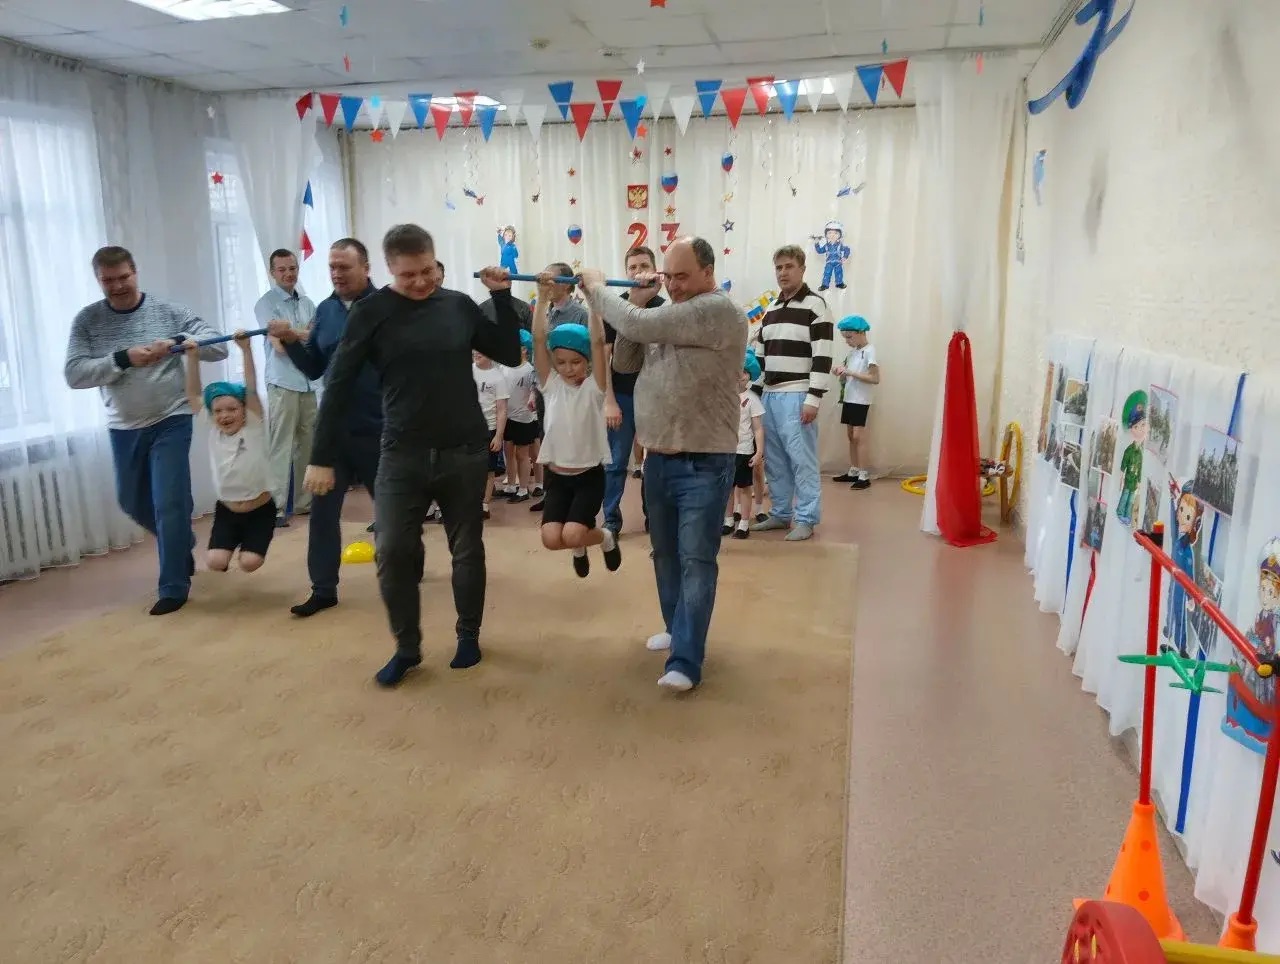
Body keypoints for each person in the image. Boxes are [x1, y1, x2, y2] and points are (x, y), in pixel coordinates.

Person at [304, 224, 522, 689]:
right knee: (392, 550)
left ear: (435, 260)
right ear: (388, 269)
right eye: (408, 275)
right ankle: (407, 647)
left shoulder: (458, 305)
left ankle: (468, 635)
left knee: (467, 548)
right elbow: (337, 384)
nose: (421, 282)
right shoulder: (370, 313)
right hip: (401, 452)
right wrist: (320, 456)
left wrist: (501, 297)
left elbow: (506, 351)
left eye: (427, 271)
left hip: (464, 450)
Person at [578, 237, 746, 692]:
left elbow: (636, 325)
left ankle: (686, 661)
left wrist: (597, 288)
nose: (673, 285)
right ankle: (677, 630)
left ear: (709, 272)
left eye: (682, 276)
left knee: (696, 559)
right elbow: (626, 358)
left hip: (705, 460)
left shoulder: (718, 310)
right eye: (668, 276)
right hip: (658, 458)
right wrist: (635, 299)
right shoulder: (665, 314)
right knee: (666, 554)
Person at [64, 246, 228, 616]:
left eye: (124, 277)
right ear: (98, 280)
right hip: (123, 427)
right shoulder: (87, 321)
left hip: (171, 418)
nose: (118, 285)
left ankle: (173, 586)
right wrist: (123, 358)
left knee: (169, 502)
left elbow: (217, 346)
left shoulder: (168, 311)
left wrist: (178, 343)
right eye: (108, 280)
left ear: (135, 272)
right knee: (131, 502)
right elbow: (74, 374)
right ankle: (180, 541)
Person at [267, 238, 381, 617]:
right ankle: (323, 589)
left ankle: (404, 570)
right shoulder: (327, 311)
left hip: (380, 430)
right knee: (322, 512)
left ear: (365, 268)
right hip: (333, 431)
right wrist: (289, 341)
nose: (336, 274)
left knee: (393, 513)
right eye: (332, 267)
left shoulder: (387, 308)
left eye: (344, 267)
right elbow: (315, 367)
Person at [531, 274, 619, 577]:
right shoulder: (551, 386)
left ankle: (604, 537)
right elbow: (539, 340)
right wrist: (542, 297)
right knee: (550, 539)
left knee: (571, 535)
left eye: (576, 362)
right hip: (556, 477)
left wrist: (593, 300)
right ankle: (580, 542)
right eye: (562, 362)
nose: (568, 368)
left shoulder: (595, 388)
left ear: (588, 363)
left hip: (588, 477)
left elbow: (597, 341)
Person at [751, 245, 834, 542]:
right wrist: (754, 396)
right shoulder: (771, 309)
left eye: (789, 266)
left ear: (802, 269)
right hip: (769, 396)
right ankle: (781, 512)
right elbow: (759, 357)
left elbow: (823, 355)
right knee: (774, 459)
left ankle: (807, 517)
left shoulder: (816, 306)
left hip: (797, 393)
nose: (783, 272)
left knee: (802, 459)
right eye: (779, 267)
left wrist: (813, 398)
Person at [181, 331, 275, 572]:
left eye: (232, 409)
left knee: (249, 563)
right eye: (218, 411)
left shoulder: (253, 426)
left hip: (260, 510)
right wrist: (192, 358)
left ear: (244, 410)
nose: (224, 415)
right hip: (228, 511)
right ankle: (230, 546)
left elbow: (251, 388)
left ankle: (250, 548)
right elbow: (193, 394)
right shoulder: (214, 430)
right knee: (215, 562)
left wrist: (245, 349)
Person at [254, 248, 318, 528]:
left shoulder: (308, 302)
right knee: (281, 445)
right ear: (272, 273)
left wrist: (291, 333)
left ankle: (305, 502)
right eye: (282, 270)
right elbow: (279, 346)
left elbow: (316, 340)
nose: (288, 274)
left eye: (292, 268)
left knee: (308, 443)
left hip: (308, 381)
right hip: (282, 382)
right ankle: (277, 507)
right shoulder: (265, 304)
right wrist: (301, 334)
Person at [602, 245, 663, 537]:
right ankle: (611, 521)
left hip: (656, 398)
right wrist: (609, 401)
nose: (638, 272)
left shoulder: (665, 308)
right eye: (633, 268)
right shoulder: (615, 308)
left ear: (654, 269)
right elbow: (604, 358)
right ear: (626, 273)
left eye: (644, 266)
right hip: (622, 397)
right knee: (615, 462)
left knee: (656, 462)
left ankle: (655, 517)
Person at [830, 315, 879, 490]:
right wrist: (841, 372)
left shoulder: (870, 351)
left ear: (861, 332)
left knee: (858, 436)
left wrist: (850, 373)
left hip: (861, 399)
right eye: (845, 338)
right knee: (851, 436)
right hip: (849, 398)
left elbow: (875, 378)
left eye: (849, 337)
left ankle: (864, 475)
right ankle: (854, 470)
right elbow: (850, 375)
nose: (847, 341)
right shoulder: (852, 352)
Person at [724, 351, 765, 539]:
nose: (740, 375)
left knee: (745, 486)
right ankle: (728, 520)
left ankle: (744, 523)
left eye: (745, 371)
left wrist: (759, 452)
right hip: (726, 450)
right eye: (737, 370)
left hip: (744, 451)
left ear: (750, 375)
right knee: (727, 487)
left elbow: (758, 428)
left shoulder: (752, 399)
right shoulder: (724, 398)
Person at [499, 329, 539, 503]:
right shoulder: (503, 368)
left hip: (524, 418)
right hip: (507, 417)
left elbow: (534, 391)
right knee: (508, 452)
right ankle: (511, 485)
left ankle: (523, 489)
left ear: (524, 349)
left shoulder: (529, 370)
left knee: (522, 455)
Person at [472, 350, 509, 519]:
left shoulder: (498, 377)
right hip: (469, 428)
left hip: (489, 428)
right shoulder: (467, 371)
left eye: (480, 350)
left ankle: (484, 505)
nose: (476, 353)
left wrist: (499, 436)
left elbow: (502, 409)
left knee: (488, 469)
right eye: (474, 349)